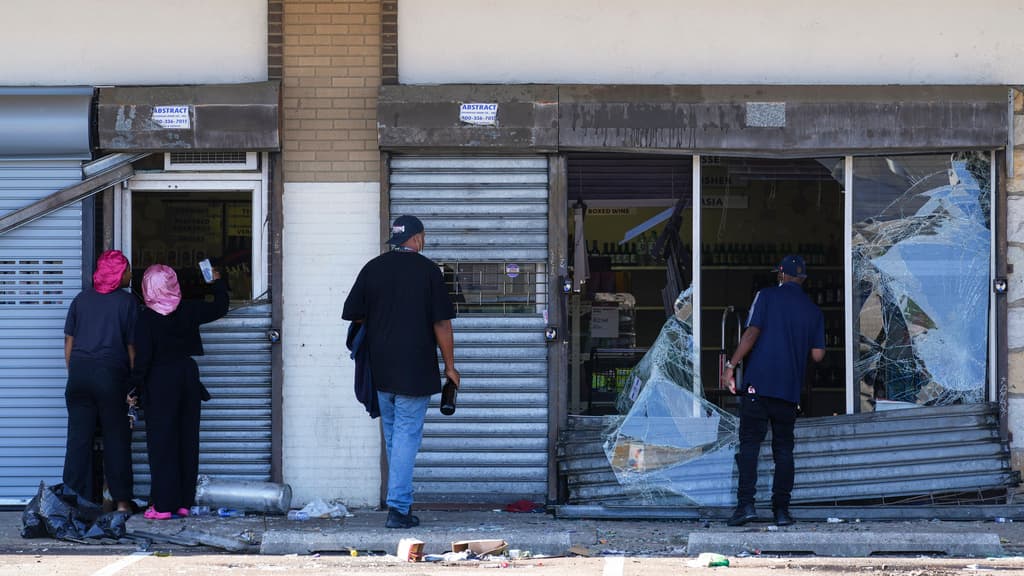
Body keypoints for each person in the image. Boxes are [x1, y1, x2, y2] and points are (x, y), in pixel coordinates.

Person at [342, 214, 459, 529]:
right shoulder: (428, 271)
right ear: (419, 237)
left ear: (394, 239)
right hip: (415, 370)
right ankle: (398, 509)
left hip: (381, 370)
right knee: (406, 437)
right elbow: (442, 324)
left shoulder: (373, 268)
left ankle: (399, 504)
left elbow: (353, 313)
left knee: (394, 437)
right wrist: (450, 367)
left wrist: (382, 326)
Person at [721, 254, 825, 527]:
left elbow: (752, 333)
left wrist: (731, 365)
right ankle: (781, 510)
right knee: (783, 450)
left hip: (759, 384)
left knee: (750, 446)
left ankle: (746, 506)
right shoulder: (814, 312)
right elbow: (817, 356)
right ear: (803, 279)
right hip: (789, 389)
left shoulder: (765, 297)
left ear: (781, 274)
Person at [130, 263, 228, 519]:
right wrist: (217, 282)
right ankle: (184, 502)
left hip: (159, 379)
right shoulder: (188, 309)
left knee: (162, 444)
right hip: (187, 375)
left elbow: (143, 360)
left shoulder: (146, 318)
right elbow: (220, 307)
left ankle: (163, 506)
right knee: (187, 440)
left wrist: (134, 389)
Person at [62, 249, 137, 513]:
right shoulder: (126, 303)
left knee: (78, 441)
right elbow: (131, 348)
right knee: (116, 438)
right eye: (127, 269)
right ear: (118, 274)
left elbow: (69, 342)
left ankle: (72, 502)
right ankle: (122, 502)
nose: (130, 274)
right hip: (110, 375)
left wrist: (76, 374)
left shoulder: (81, 300)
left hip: (79, 374)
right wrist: (132, 382)